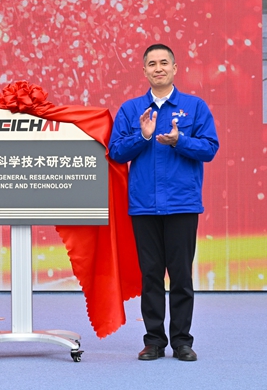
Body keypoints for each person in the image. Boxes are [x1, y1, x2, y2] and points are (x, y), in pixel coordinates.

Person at [109, 44, 219, 362]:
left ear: (174, 68)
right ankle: (154, 341)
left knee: (181, 276)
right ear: (144, 71)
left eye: (164, 63)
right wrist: (142, 137)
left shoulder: (195, 107)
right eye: (152, 64)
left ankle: (182, 341)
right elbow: (116, 152)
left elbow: (209, 149)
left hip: (182, 205)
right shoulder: (131, 110)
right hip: (144, 206)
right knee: (151, 276)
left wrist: (179, 140)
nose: (158, 68)